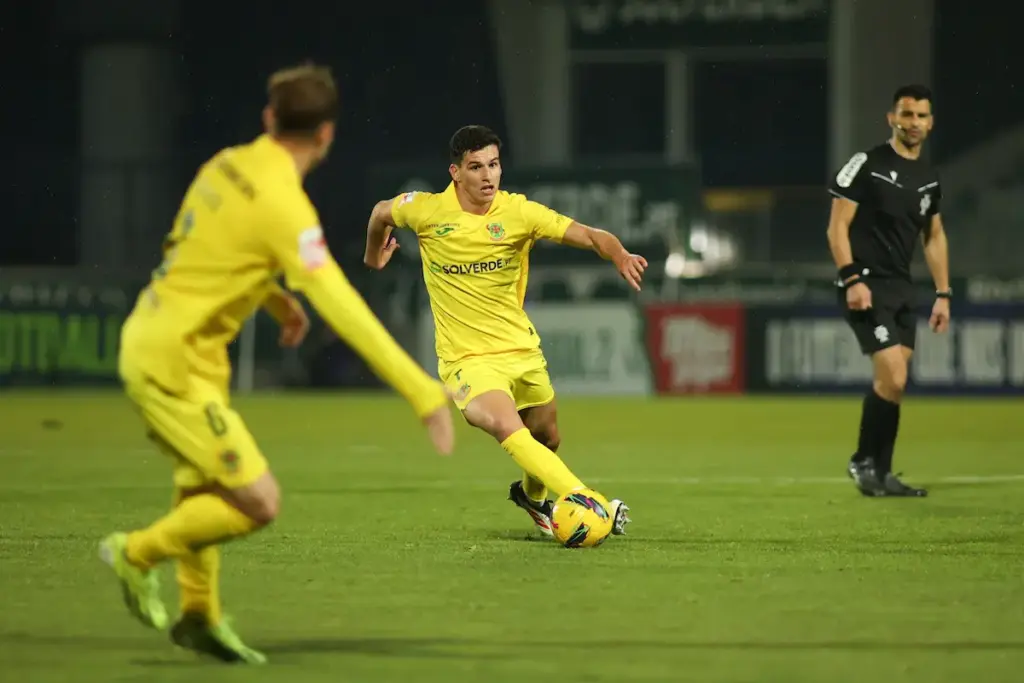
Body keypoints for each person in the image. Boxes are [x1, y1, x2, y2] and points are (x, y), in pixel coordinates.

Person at [99, 63, 454, 665]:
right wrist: (420, 389)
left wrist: (273, 298)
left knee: (202, 491)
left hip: (167, 341)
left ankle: (199, 613)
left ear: (269, 118)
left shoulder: (223, 165)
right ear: (326, 136)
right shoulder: (286, 207)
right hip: (174, 364)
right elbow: (343, 306)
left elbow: (199, 249)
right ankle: (134, 554)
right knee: (255, 500)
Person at [363, 124, 646, 537]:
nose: (488, 176)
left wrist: (617, 253)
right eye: (476, 167)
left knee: (546, 437)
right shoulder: (425, 210)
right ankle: (587, 501)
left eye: (494, 165)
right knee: (504, 425)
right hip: (467, 361)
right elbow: (380, 212)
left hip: (520, 350)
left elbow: (586, 234)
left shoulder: (519, 213)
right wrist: (374, 256)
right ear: (455, 172)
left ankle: (533, 499)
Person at [826, 84, 951, 497]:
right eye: (906, 114)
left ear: (930, 123)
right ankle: (862, 461)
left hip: (902, 288)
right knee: (893, 375)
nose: (912, 122)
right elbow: (836, 227)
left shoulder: (928, 177)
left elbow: (933, 236)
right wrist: (852, 279)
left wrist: (943, 293)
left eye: (920, 116)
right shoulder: (867, 164)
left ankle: (882, 472)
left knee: (894, 384)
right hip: (866, 283)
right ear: (891, 118)